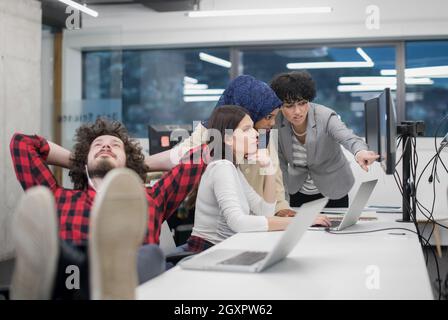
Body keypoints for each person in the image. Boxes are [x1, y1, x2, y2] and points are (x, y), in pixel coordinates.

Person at [9, 118, 206, 299]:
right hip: (74, 285)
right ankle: (62, 271)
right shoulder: (57, 198)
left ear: (128, 160)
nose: (105, 146)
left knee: (150, 255)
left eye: (115, 146)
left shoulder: (151, 198)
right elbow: (21, 143)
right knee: (69, 263)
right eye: (98, 145)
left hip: (134, 288)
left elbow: (204, 154)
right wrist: (79, 160)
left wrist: (140, 164)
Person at [146, 75, 331, 227]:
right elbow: (178, 158)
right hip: (229, 224)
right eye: (268, 117)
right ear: (249, 113)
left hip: (258, 218)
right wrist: (136, 164)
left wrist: (281, 208)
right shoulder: (213, 136)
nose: (272, 123)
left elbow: (274, 178)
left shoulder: (261, 133)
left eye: (274, 117)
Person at [186, 106, 294, 252]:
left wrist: (269, 169)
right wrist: (295, 223)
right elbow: (238, 222)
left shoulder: (233, 168)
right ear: (228, 138)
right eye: (246, 129)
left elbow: (265, 212)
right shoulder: (222, 167)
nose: (256, 134)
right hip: (207, 251)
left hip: (224, 248)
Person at [270, 71, 379, 209]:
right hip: (297, 189)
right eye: (289, 105)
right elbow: (280, 165)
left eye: (302, 103)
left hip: (333, 187)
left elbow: (347, 137)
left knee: (334, 228)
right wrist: (281, 203)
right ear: (280, 106)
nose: (297, 111)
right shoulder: (276, 122)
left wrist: (360, 152)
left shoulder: (324, 115)